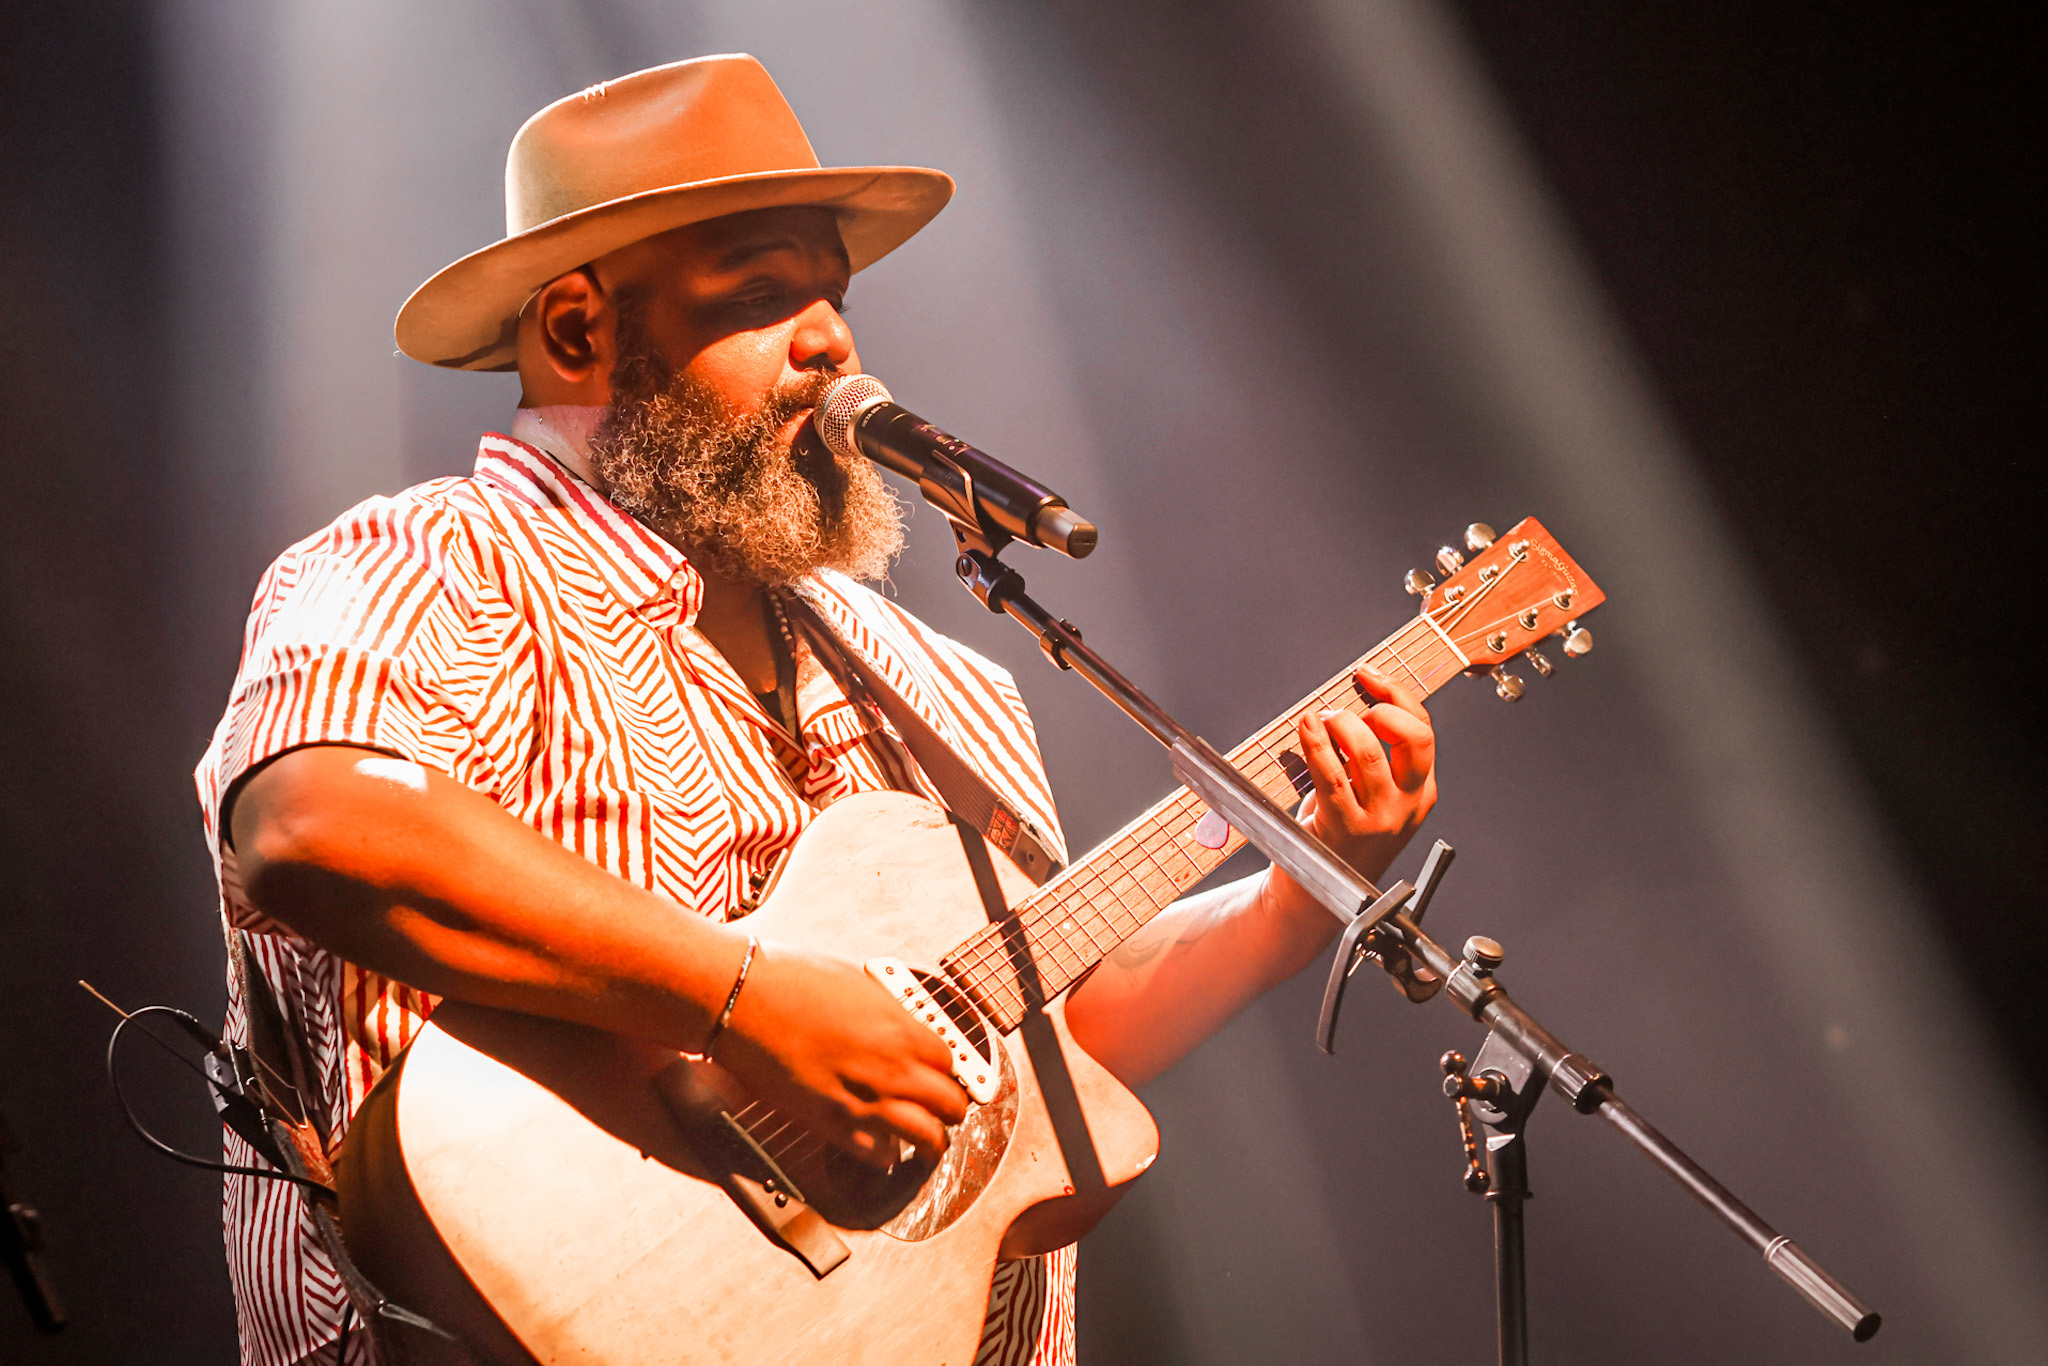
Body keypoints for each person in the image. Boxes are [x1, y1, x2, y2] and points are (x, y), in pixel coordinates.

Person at [196, 54, 1437, 1366]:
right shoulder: (433, 562)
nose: (831, 341)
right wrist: (747, 1002)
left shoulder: (940, 682)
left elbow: (1039, 1030)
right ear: (574, 331)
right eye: (759, 295)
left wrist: (1291, 899)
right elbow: (313, 826)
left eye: (833, 296)